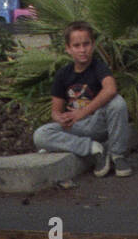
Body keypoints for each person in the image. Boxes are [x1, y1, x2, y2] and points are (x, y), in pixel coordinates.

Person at [32, 20, 132, 177]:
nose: (82, 50)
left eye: (86, 44)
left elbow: (111, 89)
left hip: (98, 123)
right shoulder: (63, 74)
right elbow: (55, 111)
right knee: (41, 135)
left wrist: (82, 112)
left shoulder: (98, 67)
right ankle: (94, 149)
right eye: (76, 46)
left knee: (118, 102)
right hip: (76, 128)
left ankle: (117, 155)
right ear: (68, 49)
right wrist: (61, 118)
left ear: (92, 45)